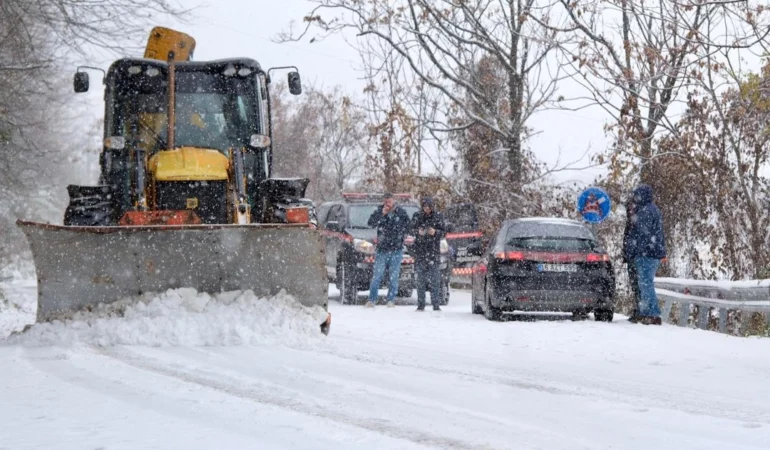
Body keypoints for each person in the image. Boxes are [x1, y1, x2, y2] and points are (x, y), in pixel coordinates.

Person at [625, 184, 666, 325]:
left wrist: (635, 251)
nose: (634, 198)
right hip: (651, 252)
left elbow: (642, 234)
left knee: (645, 283)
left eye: (636, 195)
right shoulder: (650, 209)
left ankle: (653, 314)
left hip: (646, 253)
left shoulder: (645, 211)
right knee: (644, 283)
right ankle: (645, 312)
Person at [366, 193, 411, 307]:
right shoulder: (379, 211)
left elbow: (408, 226)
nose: (387, 204)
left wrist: (402, 234)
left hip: (396, 249)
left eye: (389, 201)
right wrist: (382, 214)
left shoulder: (401, 212)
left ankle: (390, 299)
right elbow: (370, 223)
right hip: (382, 249)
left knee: (394, 276)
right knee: (377, 275)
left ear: (393, 201)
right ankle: (372, 299)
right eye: (385, 202)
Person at [410, 197, 446, 311]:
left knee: (435, 280)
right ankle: (421, 304)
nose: (426, 209)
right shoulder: (417, 216)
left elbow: (444, 232)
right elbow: (410, 229)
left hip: (433, 252)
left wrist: (435, 232)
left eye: (428, 207)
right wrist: (418, 232)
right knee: (420, 280)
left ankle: (436, 304)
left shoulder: (438, 216)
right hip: (420, 251)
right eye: (425, 207)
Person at [622, 194, 641, 322]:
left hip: (636, 257)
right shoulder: (631, 221)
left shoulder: (637, 221)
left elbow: (634, 240)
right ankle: (638, 309)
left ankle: (640, 310)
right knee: (635, 284)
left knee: (639, 284)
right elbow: (627, 240)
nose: (629, 210)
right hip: (631, 257)